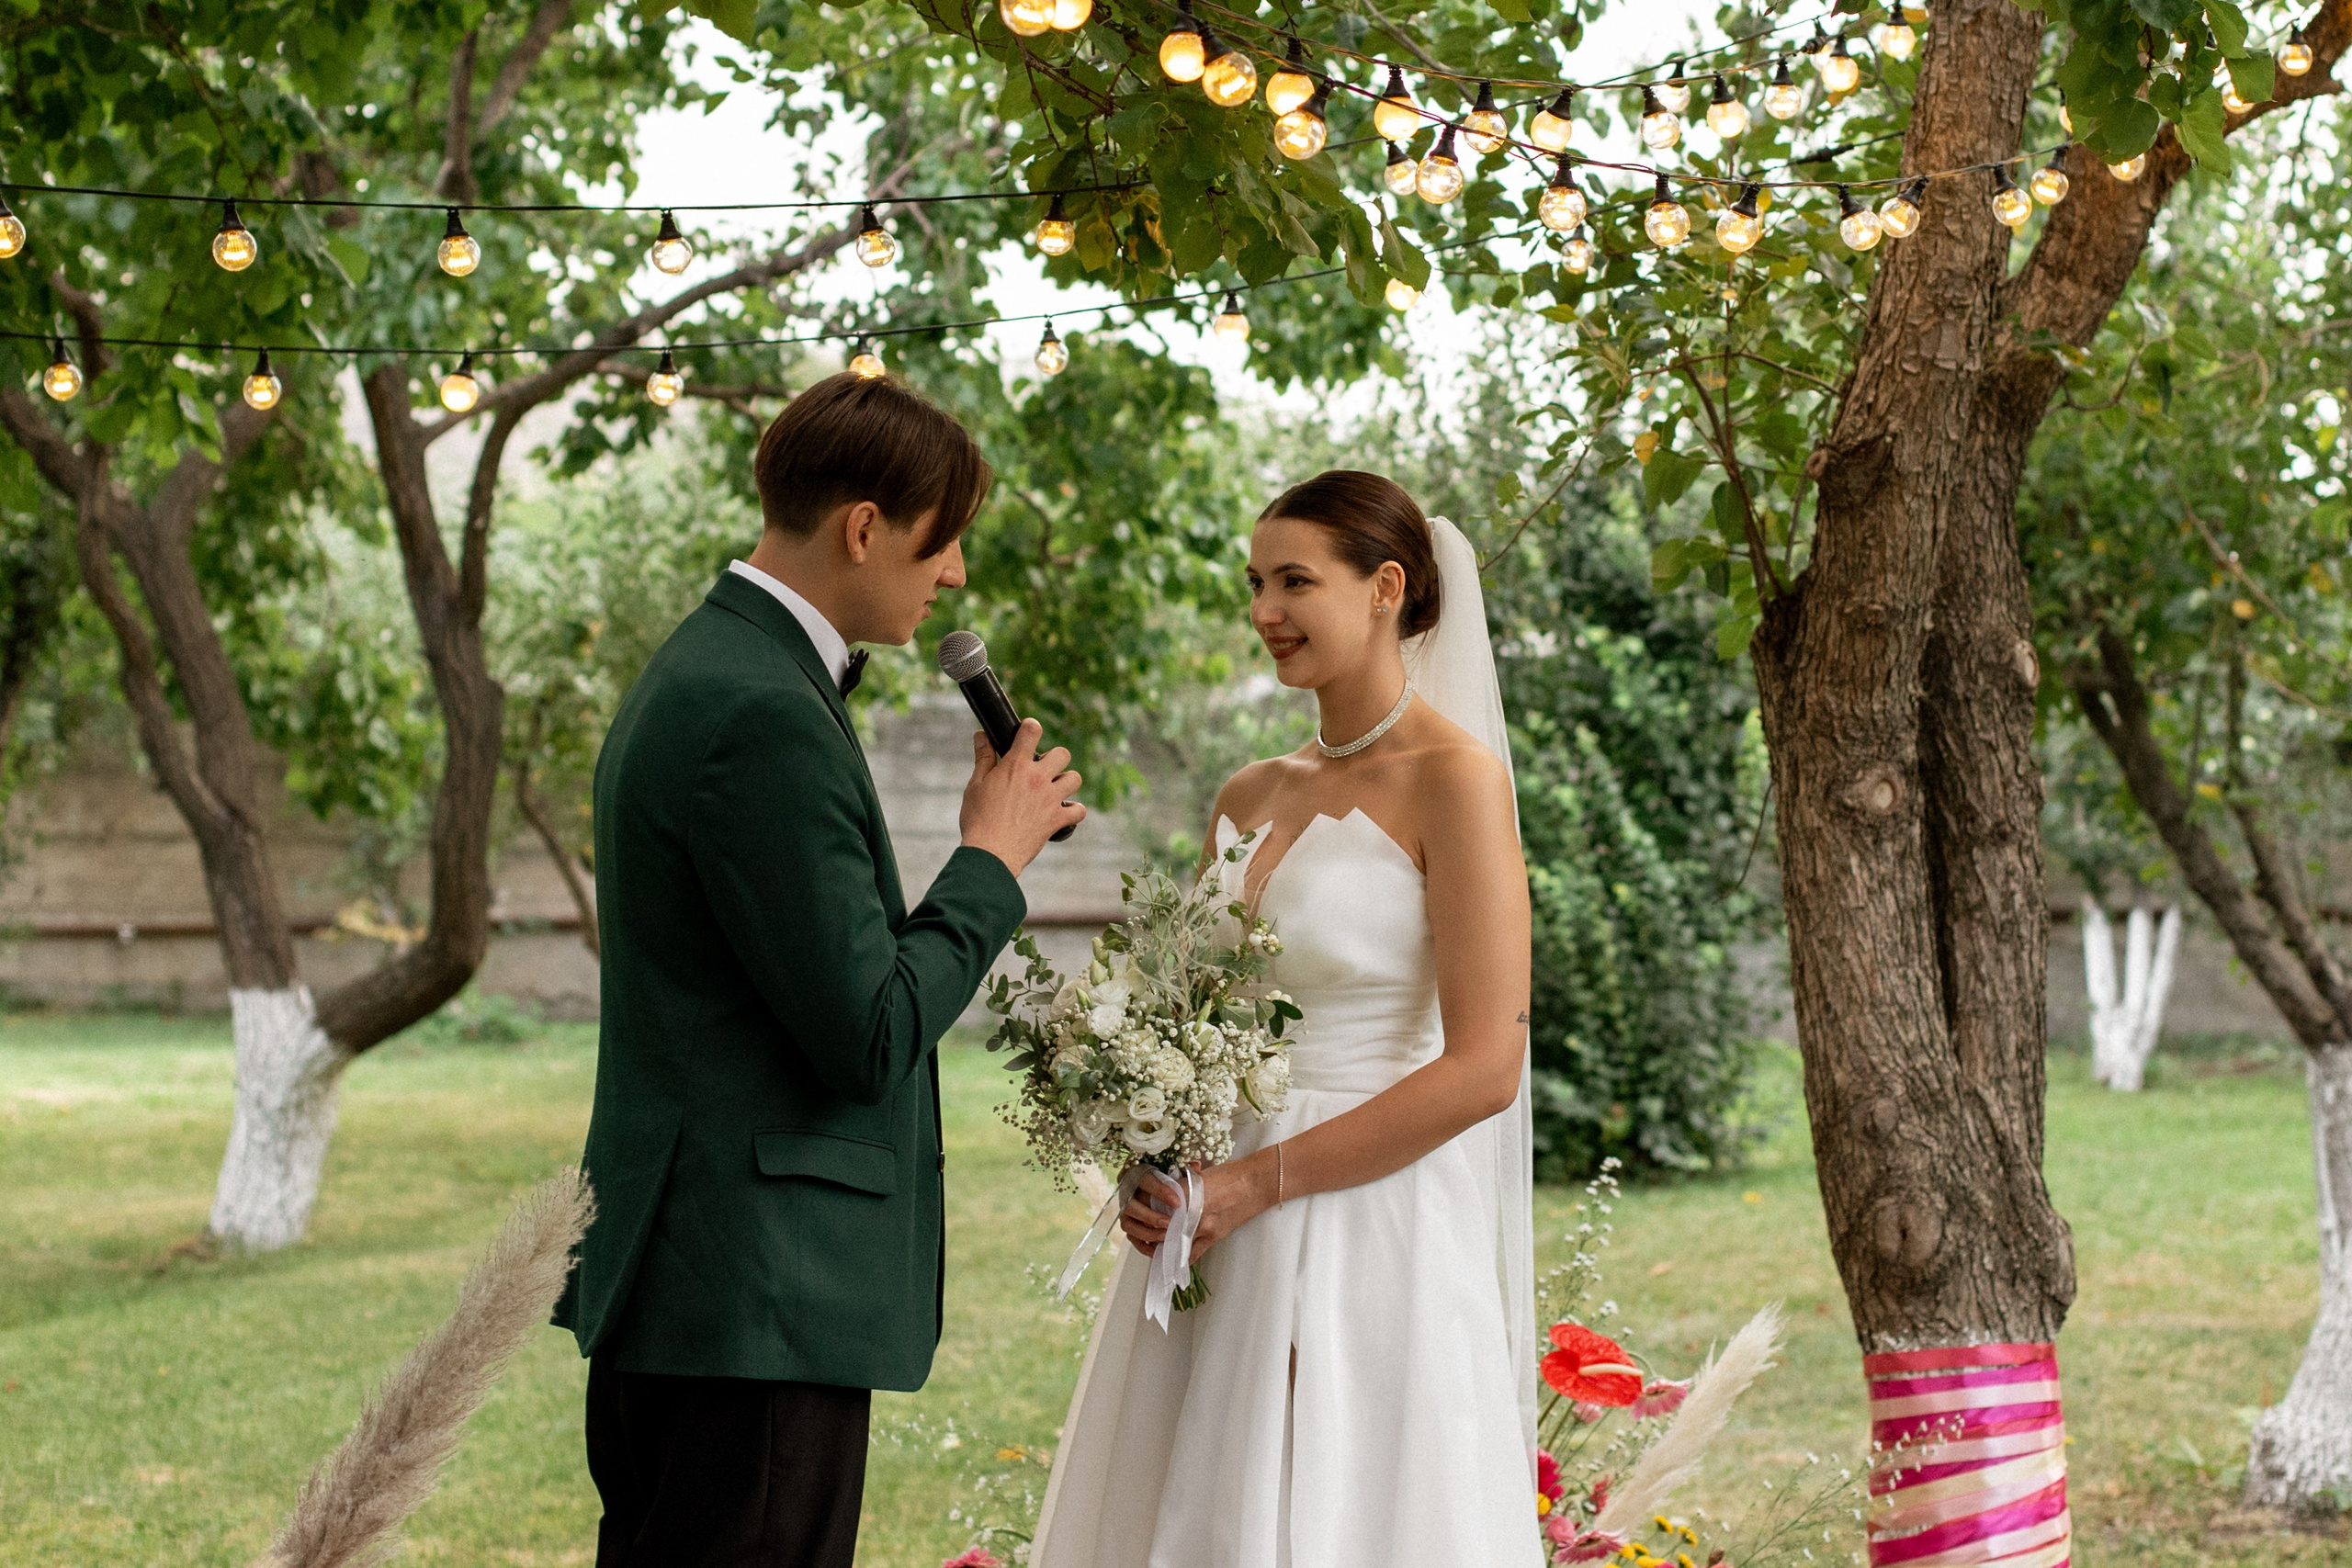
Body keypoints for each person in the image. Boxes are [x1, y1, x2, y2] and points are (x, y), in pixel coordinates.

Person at [552, 371, 1084, 1568]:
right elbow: (867, 1031)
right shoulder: (760, 710)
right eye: (945, 540)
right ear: (864, 525)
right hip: (753, 1301)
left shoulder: (716, 664)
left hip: (703, 1294)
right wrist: (989, 861)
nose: (953, 574)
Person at [1032, 470, 1542, 1567]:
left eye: (1294, 580)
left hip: (1366, 1216)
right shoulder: (1248, 793)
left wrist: (1251, 1187)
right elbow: (1193, 1014)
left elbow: (1484, 1067)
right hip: (1206, 1218)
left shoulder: (1457, 781)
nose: (1264, 610)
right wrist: (1153, 1149)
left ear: (1385, 588)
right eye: (1255, 581)